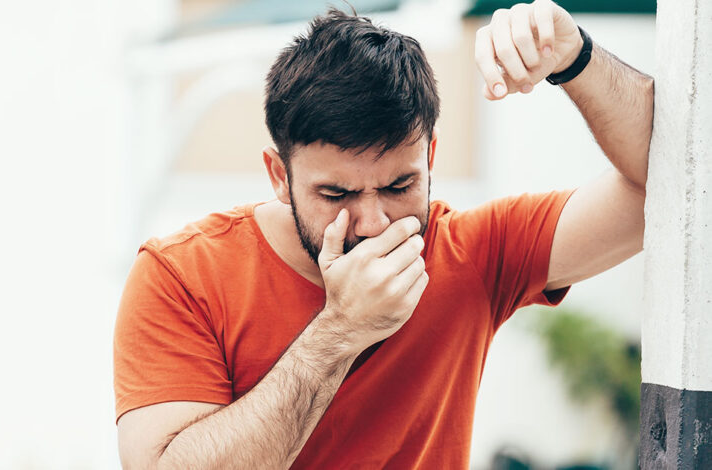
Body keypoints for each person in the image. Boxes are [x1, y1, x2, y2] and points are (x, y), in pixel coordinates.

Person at [113, 0, 654, 468]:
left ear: (431, 156)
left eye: (399, 185)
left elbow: (668, 188)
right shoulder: (182, 275)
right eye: (336, 195)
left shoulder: (476, 251)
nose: (373, 224)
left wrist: (577, 58)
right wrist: (340, 331)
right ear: (280, 176)